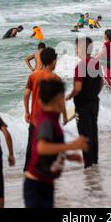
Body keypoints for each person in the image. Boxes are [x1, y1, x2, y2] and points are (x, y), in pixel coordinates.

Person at [24, 80, 88, 208]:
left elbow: (51, 146)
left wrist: (68, 156)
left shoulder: (51, 119)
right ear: (59, 99)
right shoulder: (47, 121)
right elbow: (41, 148)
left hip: (45, 182)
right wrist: (71, 146)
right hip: (37, 185)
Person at [24, 47, 65, 171]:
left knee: (31, 146)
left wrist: (26, 112)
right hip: (49, 121)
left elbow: (26, 95)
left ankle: (28, 171)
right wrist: (65, 116)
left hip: (35, 119)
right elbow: (60, 102)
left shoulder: (33, 76)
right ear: (53, 61)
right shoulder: (57, 79)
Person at [66, 37, 103, 168]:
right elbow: (101, 83)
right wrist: (93, 94)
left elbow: (78, 88)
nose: (75, 50)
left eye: (76, 47)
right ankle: (95, 161)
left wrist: (69, 96)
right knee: (93, 132)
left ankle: (88, 165)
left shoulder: (81, 65)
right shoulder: (96, 63)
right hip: (94, 102)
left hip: (82, 105)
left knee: (84, 134)